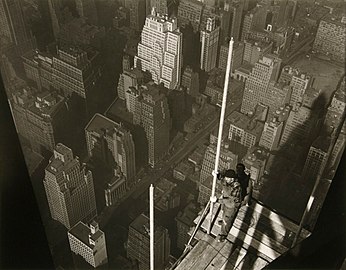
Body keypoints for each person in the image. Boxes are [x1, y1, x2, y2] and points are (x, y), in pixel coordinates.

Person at [215, 169, 242, 242]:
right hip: (225, 204)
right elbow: (222, 180)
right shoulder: (227, 181)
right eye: (226, 177)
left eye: (227, 178)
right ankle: (224, 221)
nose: (225, 179)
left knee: (227, 220)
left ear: (232, 179)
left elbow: (231, 200)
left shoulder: (236, 187)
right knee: (224, 213)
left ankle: (223, 235)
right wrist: (217, 175)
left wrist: (217, 200)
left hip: (231, 206)